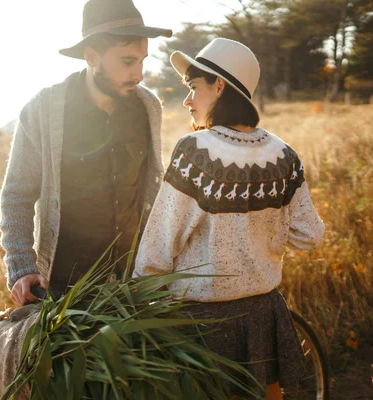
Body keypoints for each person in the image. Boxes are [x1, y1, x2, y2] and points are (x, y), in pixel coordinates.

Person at [133, 38, 325, 399]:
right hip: (263, 313)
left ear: (219, 85)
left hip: (203, 324)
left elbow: (159, 247)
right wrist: (260, 229)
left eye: (193, 87)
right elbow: (309, 236)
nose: (188, 100)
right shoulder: (284, 154)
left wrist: (138, 301)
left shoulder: (196, 153)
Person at [0, 0, 172, 306]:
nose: (139, 73)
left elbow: (152, 189)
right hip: (66, 289)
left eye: (143, 61)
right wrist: (22, 268)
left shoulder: (148, 107)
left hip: (135, 284)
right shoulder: (43, 111)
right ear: (92, 57)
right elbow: (16, 195)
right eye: (128, 61)